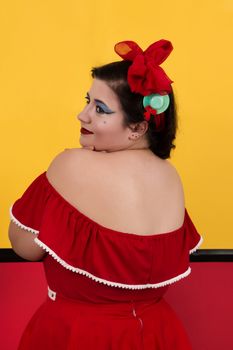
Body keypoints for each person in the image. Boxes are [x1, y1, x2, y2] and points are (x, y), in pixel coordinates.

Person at [9, 39, 203, 349]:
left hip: (79, 335)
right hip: (160, 334)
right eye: (87, 100)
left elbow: (24, 247)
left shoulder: (71, 165)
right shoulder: (170, 177)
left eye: (99, 109)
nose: (81, 115)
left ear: (137, 128)